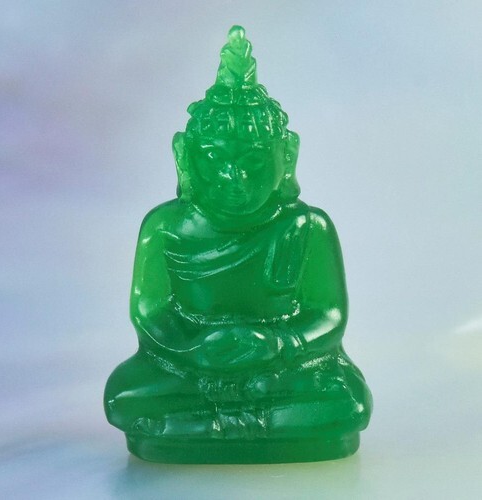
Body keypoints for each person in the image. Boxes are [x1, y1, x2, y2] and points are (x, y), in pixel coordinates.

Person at [104, 26, 372, 463]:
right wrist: (195, 350)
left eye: (253, 160)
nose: (234, 177)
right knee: (125, 394)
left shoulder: (307, 225)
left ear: (287, 156)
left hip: (284, 367)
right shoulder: (166, 227)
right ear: (183, 155)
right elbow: (150, 312)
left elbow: (329, 316)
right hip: (190, 366)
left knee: (348, 399)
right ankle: (260, 420)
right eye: (214, 158)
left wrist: (276, 346)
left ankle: (198, 424)